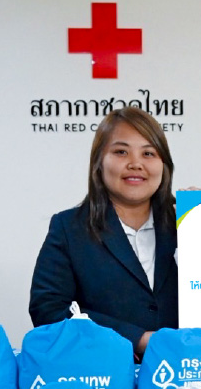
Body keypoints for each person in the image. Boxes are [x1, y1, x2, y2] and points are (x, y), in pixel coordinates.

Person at [29, 108, 178, 359]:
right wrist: (137, 339)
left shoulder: (185, 223)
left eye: (148, 153)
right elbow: (48, 310)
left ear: (163, 165)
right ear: (99, 161)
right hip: (102, 371)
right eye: (121, 152)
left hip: (188, 369)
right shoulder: (69, 228)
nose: (136, 163)